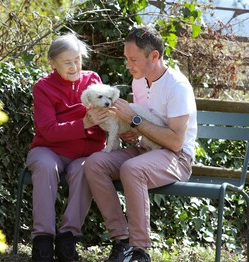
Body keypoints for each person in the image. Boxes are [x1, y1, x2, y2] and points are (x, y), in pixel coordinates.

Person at [84, 24, 197, 262]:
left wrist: (133, 120)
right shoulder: (139, 81)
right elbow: (141, 128)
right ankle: (122, 241)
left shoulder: (177, 87)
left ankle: (140, 251)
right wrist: (129, 131)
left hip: (177, 157)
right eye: (126, 59)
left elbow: (176, 142)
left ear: (154, 56)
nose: (128, 65)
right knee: (94, 163)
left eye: (133, 59)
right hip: (147, 149)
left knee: (132, 169)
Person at [26, 33, 108, 262]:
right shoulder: (43, 87)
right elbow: (48, 129)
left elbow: (105, 117)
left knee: (87, 169)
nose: (75, 66)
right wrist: (83, 123)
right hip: (48, 149)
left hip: (84, 151)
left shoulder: (93, 80)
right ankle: (42, 240)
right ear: (53, 63)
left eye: (78, 60)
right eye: (67, 61)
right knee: (44, 166)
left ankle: (67, 239)